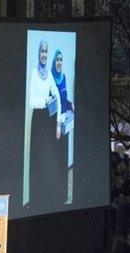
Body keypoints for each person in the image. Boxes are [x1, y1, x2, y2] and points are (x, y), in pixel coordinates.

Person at [27, 40, 66, 208]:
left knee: (48, 158)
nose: (44, 54)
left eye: (46, 52)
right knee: (37, 158)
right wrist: (45, 100)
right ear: (38, 53)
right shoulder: (34, 73)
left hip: (49, 120)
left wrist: (58, 125)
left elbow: (57, 96)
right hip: (38, 119)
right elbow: (31, 101)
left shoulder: (49, 75)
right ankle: (36, 199)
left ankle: (50, 197)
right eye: (42, 51)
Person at [51, 49, 75, 204]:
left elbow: (65, 99)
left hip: (66, 126)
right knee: (55, 162)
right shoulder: (51, 79)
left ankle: (64, 196)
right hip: (55, 128)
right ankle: (54, 195)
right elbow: (53, 103)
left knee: (65, 161)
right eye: (57, 59)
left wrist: (72, 105)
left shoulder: (64, 77)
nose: (59, 62)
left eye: (61, 59)